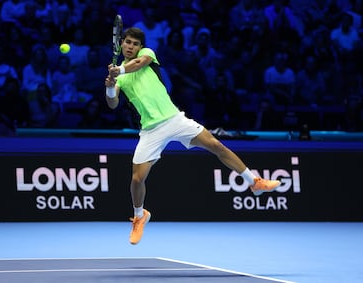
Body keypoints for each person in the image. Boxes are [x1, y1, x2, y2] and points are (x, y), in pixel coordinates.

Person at [104, 27, 281, 245]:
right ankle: (140, 216)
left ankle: (254, 182)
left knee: (216, 145)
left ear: (140, 47)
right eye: (128, 43)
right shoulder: (119, 76)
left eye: (135, 44)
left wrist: (118, 71)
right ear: (121, 44)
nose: (131, 47)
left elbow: (138, 64)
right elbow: (112, 104)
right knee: (137, 179)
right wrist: (111, 86)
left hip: (175, 120)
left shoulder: (146, 55)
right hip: (150, 130)